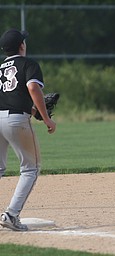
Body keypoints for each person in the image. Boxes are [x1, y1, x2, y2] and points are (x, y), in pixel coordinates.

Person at [0, 28, 56, 231]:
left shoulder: (0, 68)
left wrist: (34, 110)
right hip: (16, 121)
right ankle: (11, 215)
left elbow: (12, 97)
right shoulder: (29, 64)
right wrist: (47, 118)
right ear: (21, 46)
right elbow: (33, 88)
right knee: (30, 169)